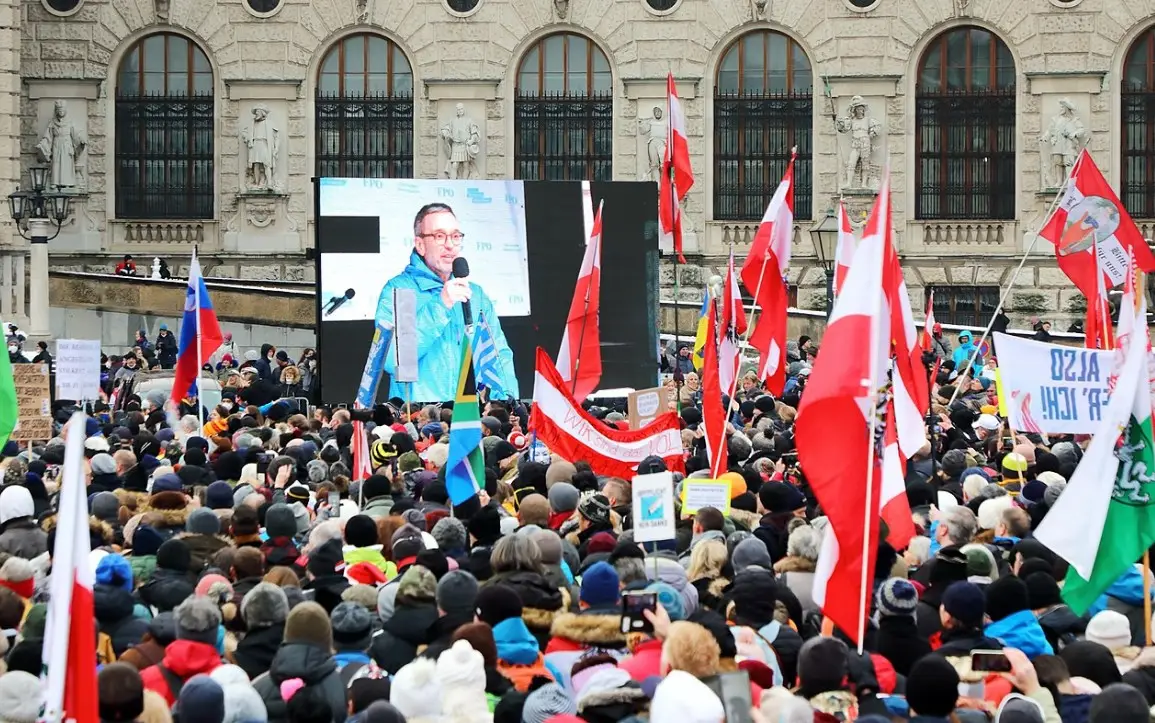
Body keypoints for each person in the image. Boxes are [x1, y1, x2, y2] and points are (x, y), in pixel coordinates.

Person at [358, 202, 517, 403]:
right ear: (420, 244)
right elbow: (392, 360)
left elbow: (498, 354)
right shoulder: (399, 290)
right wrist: (441, 305)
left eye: (456, 236)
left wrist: (508, 401)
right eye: (439, 236)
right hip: (420, 415)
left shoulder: (475, 294)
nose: (450, 245)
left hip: (469, 414)